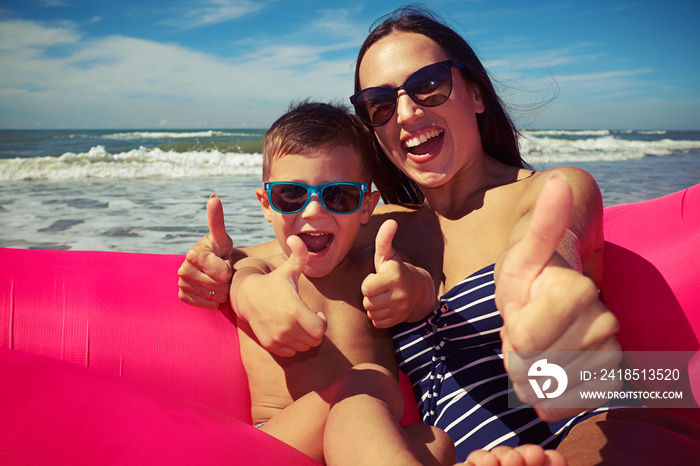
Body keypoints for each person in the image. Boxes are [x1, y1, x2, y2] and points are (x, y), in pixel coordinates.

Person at [179, 7, 700, 465]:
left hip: (591, 428)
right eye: (380, 104)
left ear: (474, 91)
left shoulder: (548, 190)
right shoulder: (387, 227)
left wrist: (539, 281)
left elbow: (553, 238)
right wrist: (239, 277)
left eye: (428, 85)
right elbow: (277, 249)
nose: (406, 113)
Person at [232, 100, 456, 466]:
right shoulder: (260, 270)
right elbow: (241, 282)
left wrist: (412, 288)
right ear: (266, 202)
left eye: (339, 195)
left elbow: (420, 291)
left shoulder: (376, 265)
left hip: (364, 446)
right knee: (366, 379)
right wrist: (233, 272)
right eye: (291, 194)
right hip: (280, 445)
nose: (314, 211)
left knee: (436, 443)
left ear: (367, 206)